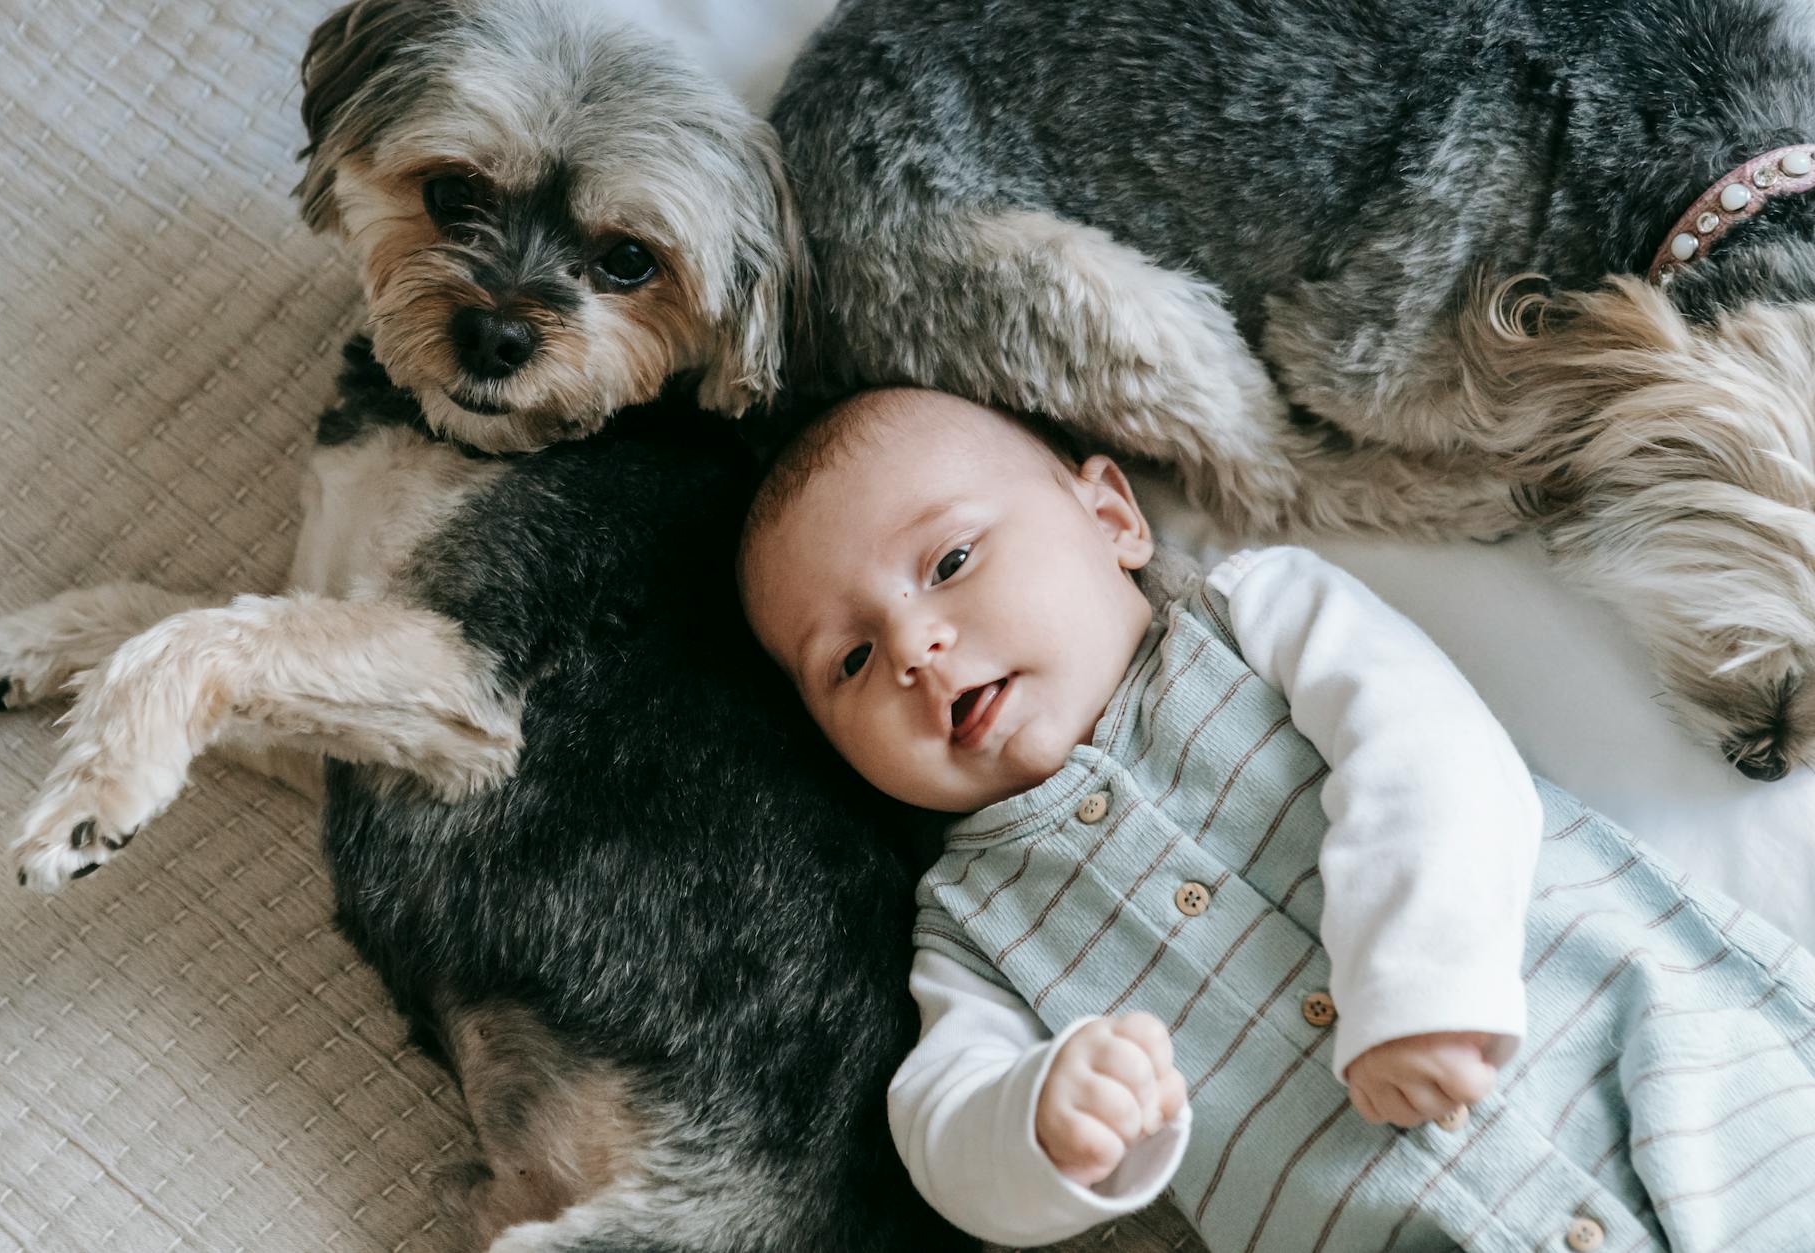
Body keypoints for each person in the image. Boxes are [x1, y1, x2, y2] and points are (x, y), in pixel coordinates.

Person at [737, 388, 1815, 1252]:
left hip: (1672, 1072)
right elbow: (938, 1125)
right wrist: (1040, 1122)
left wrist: (1421, 979)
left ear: (1109, 516)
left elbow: (1425, 747)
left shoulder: (1260, 615)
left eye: (950, 561)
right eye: (850, 659)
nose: (916, 645)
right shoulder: (967, 925)